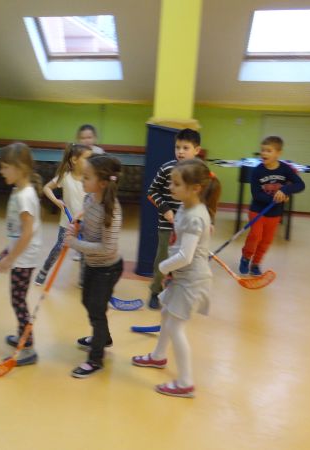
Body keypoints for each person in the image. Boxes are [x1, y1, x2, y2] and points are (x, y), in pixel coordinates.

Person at [132, 159, 221, 398]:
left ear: (195, 188)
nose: (170, 187)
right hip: (182, 276)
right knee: (165, 314)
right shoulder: (185, 207)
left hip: (192, 280)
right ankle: (158, 356)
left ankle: (185, 382)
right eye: (171, 182)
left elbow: (185, 256)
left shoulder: (195, 216)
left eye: (176, 183)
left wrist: (163, 268)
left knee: (175, 327)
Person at [65, 155, 124, 378]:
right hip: (91, 263)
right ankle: (103, 337)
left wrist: (74, 243)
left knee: (97, 310)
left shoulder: (111, 210)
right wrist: (77, 227)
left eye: (87, 177)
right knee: (87, 301)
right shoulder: (89, 199)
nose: (82, 180)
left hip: (107, 268)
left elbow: (107, 248)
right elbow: (88, 225)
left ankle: (95, 359)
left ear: (102, 183)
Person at [0, 143, 43, 366]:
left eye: (5, 167)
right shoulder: (19, 190)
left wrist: (11, 258)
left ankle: (28, 348)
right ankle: (21, 337)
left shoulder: (25, 196)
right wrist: (8, 249)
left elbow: (27, 233)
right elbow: (18, 231)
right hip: (20, 254)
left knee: (18, 301)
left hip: (24, 258)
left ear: (20, 168)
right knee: (17, 299)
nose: (1, 171)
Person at [146, 128, 201, 309]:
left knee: (184, 259)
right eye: (178, 147)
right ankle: (155, 290)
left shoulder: (200, 172)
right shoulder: (167, 168)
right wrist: (166, 210)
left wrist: (209, 221)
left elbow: (205, 198)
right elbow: (152, 192)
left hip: (189, 226)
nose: (180, 152)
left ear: (197, 150)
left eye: (186, 148)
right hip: (167, 224)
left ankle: (175, 289)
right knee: (163, 257)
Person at [240, 136, 305, 275]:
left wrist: (285, 190)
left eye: (269, 151)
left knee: (266, 240)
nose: (264, 153)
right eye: (263, 150)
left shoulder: (285, 169)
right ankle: (246, 257)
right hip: (257, 210)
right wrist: (276, 198)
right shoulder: (257, 171)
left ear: (278, 153)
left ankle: (256, 264)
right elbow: (256, 195)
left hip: (274, 213)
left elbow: (300, 185)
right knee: (255, 236)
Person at [35, 143, 92, 286]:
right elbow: (47, 188)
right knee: (59, 248)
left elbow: (95, 199)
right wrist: (57, 201)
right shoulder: (66, 177)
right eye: (86, 159)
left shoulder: (89, 178)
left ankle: (83, 279)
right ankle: (44, 271)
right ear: (74, 160)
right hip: (67, 223)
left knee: (84, 251)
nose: (90, 162)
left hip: (85, 223)